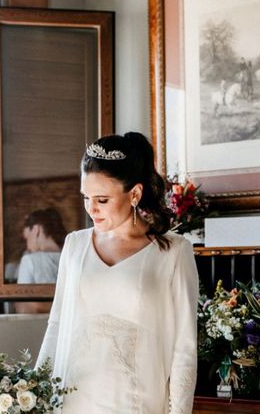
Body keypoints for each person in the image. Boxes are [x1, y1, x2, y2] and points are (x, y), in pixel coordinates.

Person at [36, 132, 199, 414]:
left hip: (135, 402)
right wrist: (33, 392)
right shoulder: (75, 245)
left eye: (102, 199)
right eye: (86, 197)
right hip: (73, 399)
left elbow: (184, 349)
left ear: (134, 193)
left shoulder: (173, 252)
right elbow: (56, 325)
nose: (91, 209)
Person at [18, 207, 67, 284]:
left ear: (35, 229)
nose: (27, 246)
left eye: (27, 238)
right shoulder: (71, 257)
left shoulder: (29, 261)